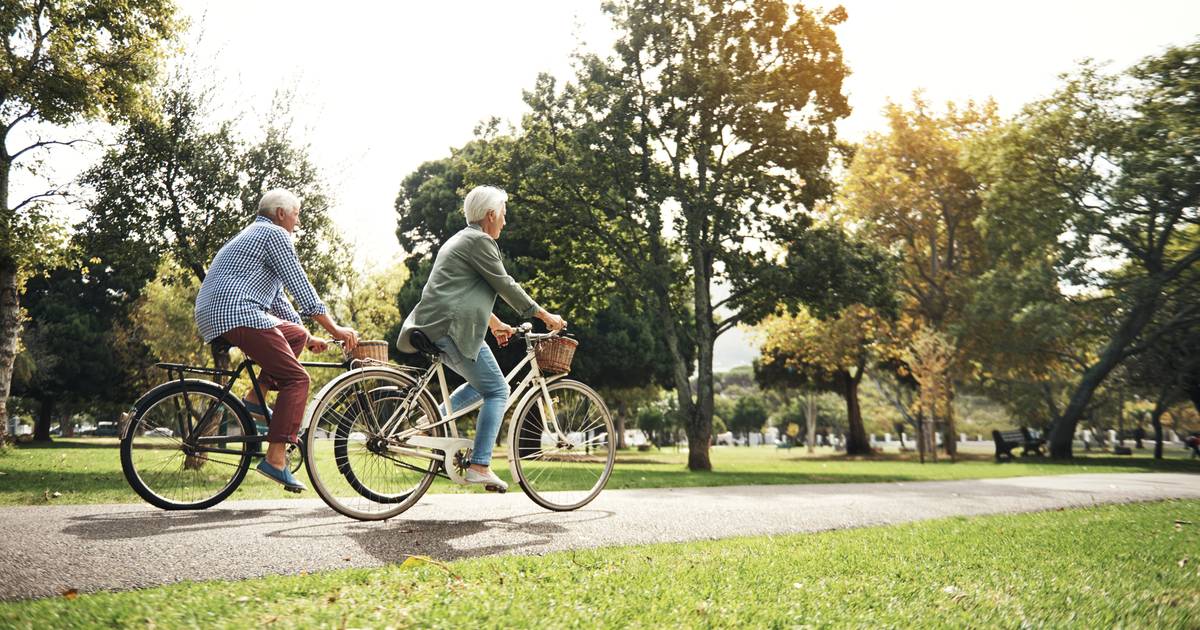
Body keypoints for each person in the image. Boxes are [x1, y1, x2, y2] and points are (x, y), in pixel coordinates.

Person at [397, 185, 565, 492]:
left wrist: (497, 323)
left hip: (440, 325)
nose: (504, 221)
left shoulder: (461, 240)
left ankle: (429, 422)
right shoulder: (480, 241)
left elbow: (463, 291)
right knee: (498, 390)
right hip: (451, 327)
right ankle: (480, 465)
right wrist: (544, 315)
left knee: (480, 385)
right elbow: (505, 284)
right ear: (490, 215)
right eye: (503, 214)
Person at [194, 189, 359, 492]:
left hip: (219, 312)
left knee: (294, 335)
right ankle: (275, 458)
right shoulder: (275, 235)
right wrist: (336, 329)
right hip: (237, 312)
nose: (298, 221)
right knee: (298, 380)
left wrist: (307, 336)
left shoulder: (255, 235)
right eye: (297, 214)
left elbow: (278, 299)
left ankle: (256, 403)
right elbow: (302, 286)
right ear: (281, 213)